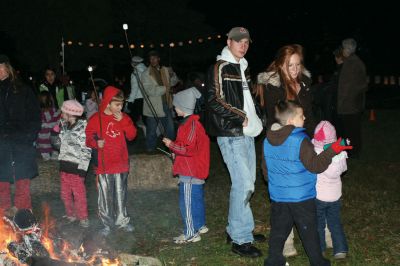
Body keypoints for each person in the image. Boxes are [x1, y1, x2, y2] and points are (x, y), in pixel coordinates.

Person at [263, 100, 352, 266]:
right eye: (300, 115)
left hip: (279, 197)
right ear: (291, 121)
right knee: (309, 232)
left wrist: (279, 185)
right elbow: (316, 166)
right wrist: (332, 150)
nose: (304, 117)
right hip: (301, 198)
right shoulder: (301, 141)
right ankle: (318, 261)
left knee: (278, 231)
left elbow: (266, 171)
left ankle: (274, 260)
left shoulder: (267, 141)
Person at [205, 27, 264, 258]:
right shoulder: (220, 67)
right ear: (229, 42)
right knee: (244, 184)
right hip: (231, 133)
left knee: (246, 183)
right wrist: (241, 116)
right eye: (239, 41)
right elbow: (214, 100)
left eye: (247, 42)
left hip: (247, 132)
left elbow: (247, 98)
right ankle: (240, 240)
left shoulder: (243, 67)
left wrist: (256, 116)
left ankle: (237, 229)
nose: (243, 45)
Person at [85, 86, 137, 236]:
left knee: (120, 195)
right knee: (105, 196)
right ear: (107, 103)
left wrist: (123, 122)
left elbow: (132, 135)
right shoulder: (96, 119)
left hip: (120, 164)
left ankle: (122, 221)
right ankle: (106, 224)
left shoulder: (124, 117)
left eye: (122, 104)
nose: (121, 107)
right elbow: (88, 138)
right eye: (117, 105)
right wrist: (96, 143)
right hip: (104, 165)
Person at [162, 89, 210, 244]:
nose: (174, 109)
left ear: (182, 107)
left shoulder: (191, 125)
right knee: (196, 199)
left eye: (176, 106)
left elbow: (188, 148)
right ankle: (200, 225)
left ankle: (190, 233)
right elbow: (188, 147)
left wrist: (172, 145)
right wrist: (176, 151)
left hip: (190, 171)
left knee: (187, 202)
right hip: (192, 169)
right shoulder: (190, 124)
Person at [0, 54, 41, 212]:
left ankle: (22, 210)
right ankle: (3, 212)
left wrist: (29, 135)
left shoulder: (23, 89)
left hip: (21, 139)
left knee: (22, 176)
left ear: (8, 68)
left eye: (2, 67)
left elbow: (35, 115)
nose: (0, 72)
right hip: (1, 141)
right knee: (1, 177)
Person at [256, 44, 316, 137]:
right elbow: (274, 121)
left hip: (305, 136)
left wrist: (315, 136)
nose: (295, 69)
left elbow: (309, 115)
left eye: (298, 64)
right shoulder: (273, 88)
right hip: (285, 138)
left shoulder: (305, 83)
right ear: (280, 65)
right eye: (290, 65)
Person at [312, 120, 349, 259]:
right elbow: (344, 168)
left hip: (319, 196)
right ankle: (340, 249)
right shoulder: (339, 154)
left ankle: (320, 249)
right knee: (335, 223)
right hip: (335, 196)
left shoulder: (315, 152)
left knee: (319, 224)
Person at [57, 100, 92, 228]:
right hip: (64, 166)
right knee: (65, 194)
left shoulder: (83, 128)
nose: (61, 113)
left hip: (76, 168)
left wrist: (82, 169)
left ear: (70, 113)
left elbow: (87, 149)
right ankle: (71, 214)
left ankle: (83, 217)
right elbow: (59, 144)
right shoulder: (64, 125)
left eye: (63, 111)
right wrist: (56, 132)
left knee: (79, 195)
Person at [141, 50, 179, 152]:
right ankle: (150, 149)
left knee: (170, 129)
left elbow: (174, 82)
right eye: (151, 58)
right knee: (152, 130)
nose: (152, 60)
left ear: (159, 59)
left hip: (166, 104)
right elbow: (150, 91)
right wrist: (166, 88)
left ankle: (171, 149)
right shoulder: (145, 74)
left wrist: (172, 75)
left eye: (155, 58)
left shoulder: (165, 70)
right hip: (153, 105)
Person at [336, 38, 368, 158]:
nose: (342, 50)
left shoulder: (350, 64)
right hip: (355, 103)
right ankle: (354, 151)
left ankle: (352, 153)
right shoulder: (357, 62)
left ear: (347, 49)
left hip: (349, 104)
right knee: (354, 130)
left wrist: (340, 104)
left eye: (343, 48)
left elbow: (345, 87)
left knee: (350, 130)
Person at [36, 91, 61, 161]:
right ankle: (49, 153)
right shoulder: (40, 113)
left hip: (50, 136)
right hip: (46, 136)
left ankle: (51, 152)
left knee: (50, 137)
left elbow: (57, 121)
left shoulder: (52, 111)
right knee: (44, 136)